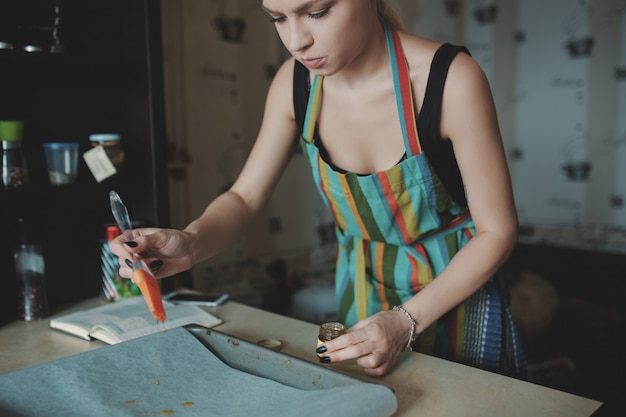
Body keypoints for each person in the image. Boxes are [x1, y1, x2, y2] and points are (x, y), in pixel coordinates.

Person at [109, 0, 527, 379]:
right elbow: (244, 197)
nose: (297, 41)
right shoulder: (296, 86)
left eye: (318, 12)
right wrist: (192, 241)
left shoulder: (450, 79)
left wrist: (404, 320)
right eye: (277, 18)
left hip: (456, 295)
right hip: (362, 287)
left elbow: (498, 230)